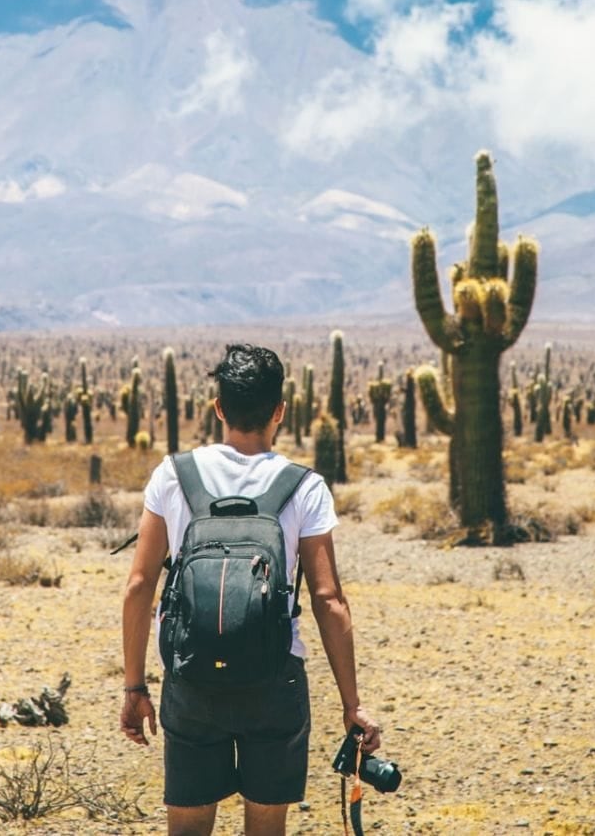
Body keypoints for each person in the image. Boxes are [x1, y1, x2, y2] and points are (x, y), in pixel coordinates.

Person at [120, 343, 381, 836]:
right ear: (280, 411)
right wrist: (352, 704)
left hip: (190, 677)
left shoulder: (173, 475)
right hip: (275, 679)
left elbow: (139, 586)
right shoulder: (304, 486)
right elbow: (328, 600)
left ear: (218, 408)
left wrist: (136, 687)